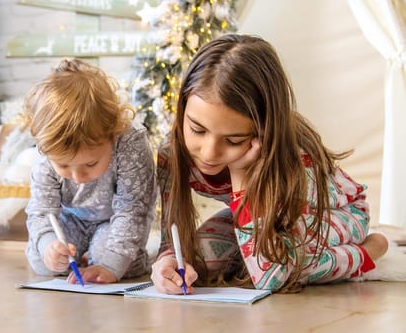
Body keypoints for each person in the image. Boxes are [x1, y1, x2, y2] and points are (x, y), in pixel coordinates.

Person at [151, 34, 389, 294]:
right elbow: (170, 238)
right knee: (198, 259)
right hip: (258, 215)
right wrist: (167, 262)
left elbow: (271, 279)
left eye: (232, 140)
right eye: (197, 130)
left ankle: (368, 251)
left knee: (288, 267)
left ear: (263, 130)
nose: (209, 153)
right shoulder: (170, 154)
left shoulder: (293, 158)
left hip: (331, 213)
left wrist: (240, 173)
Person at [22, 59, 157, 283]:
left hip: (115, 220)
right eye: (64, 166)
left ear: (112, 134)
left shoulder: (130, 143)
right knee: (43, 261)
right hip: (71, 219)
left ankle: (119, 257)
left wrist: (111, 266)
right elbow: (40, 211)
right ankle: (78, 255)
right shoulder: (47, 150)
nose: (77, 177)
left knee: (114, 262)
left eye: (91, 164)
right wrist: (48, 245)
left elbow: (133, 210)